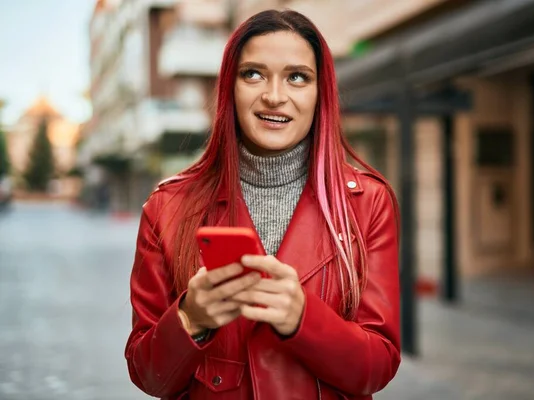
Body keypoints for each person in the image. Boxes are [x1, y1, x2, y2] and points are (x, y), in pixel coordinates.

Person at [125, 9, 401, 400]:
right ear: (229, 88)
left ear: (320, 92)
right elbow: (148, 375)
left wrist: (302, 318)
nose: (274, 96)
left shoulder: (367, 202)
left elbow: (377, 367)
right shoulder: (168, 206)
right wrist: (191, 318)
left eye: (297, 77)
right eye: (253, 74)